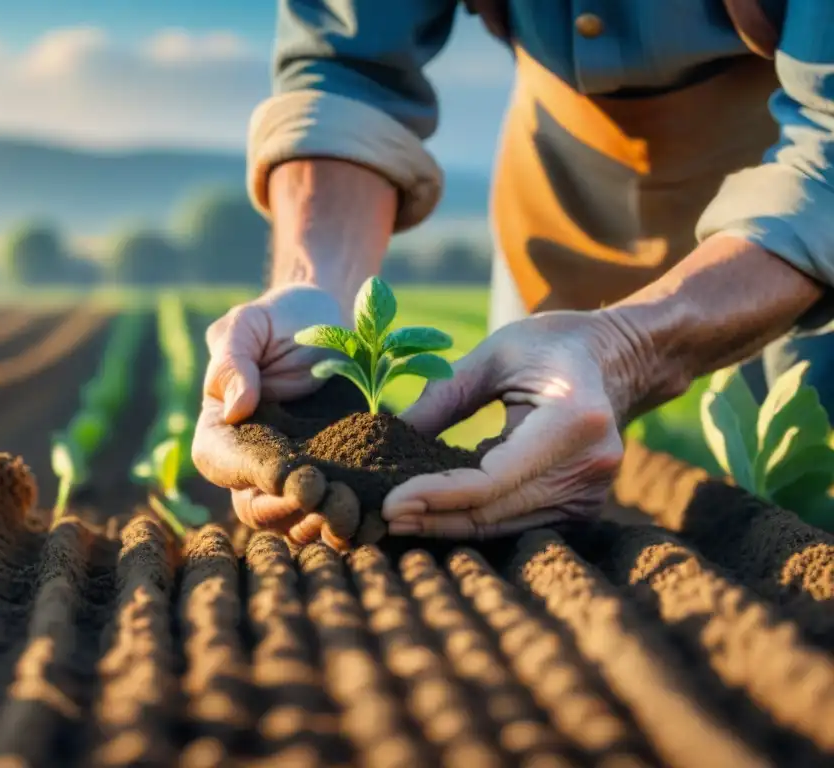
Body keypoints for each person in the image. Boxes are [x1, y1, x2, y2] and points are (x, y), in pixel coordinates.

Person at [192, 0, 834, 542]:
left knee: (804, 472)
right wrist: (311, 287)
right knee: (524, 482)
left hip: (795, 197)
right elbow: (346, 65)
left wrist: (630, 349)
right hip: (561, 176)